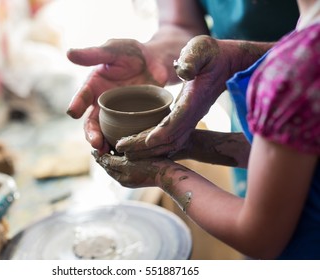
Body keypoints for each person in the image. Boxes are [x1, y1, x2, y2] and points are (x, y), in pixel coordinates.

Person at [93, 0, 320, 259]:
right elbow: (297, 156)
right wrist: (192, 144)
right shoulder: (304, 48)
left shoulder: (292, 72)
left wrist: (161, 173)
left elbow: (260, 237)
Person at [66, 0, 299, 197]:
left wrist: (238, 60)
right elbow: (180, 24)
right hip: (251, 129)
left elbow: (257, 234)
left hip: (303, 109)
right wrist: (155, 57)